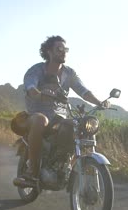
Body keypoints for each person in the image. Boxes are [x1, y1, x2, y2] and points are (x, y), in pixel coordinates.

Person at [14, 35, 110, 188]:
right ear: (49, 51)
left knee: (83, 125)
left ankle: (70, 167)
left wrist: (99, 102)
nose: (63, 52)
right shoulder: (36, 70)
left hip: (60, 117)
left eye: (65, 49)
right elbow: (30, 87)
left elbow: (83, 91)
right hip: (36, 114)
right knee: (41, 120)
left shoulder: (69, 73)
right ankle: (32, 173)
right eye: (59, 49)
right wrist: (40, 93)